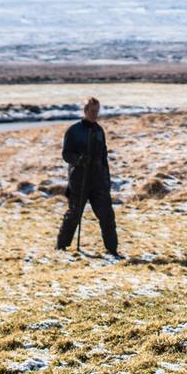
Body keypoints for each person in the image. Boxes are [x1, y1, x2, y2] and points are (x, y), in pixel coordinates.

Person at [57, 97, 119, 255]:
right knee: (74, 214)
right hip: (79, 179)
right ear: (85, 111)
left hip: (98, 180)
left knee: (107, 215)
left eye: (97, 111)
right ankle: (61, 247)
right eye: (92, 111)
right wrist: (78, 160)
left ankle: (112, 250)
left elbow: (104, 157)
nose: (94, 114)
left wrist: (107, 179)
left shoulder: (99, 131)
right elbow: (66, 154)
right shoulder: (74, 130)